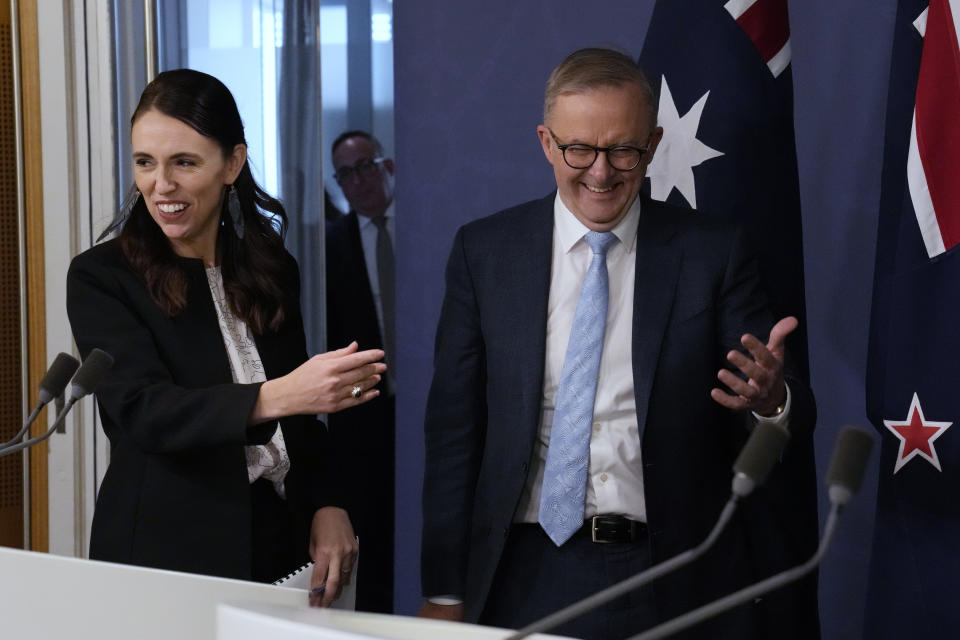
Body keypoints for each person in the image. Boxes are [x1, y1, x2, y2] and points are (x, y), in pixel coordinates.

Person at [418, 48, 817, 639]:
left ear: (652, 144)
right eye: (579, 149)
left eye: (623, 150)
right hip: (526, 573)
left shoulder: (714, 254)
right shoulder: (486, 254)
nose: (600, 173)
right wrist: (445, 591)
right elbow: (454, 435)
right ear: (547, 143)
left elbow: (787, 414)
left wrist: (769, 400)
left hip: (674, 572)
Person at [66, 69, 386, 607]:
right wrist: (280, 395)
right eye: (146, 162)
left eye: (184, 163)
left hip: (278, 543)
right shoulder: (101, 276)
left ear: (232, 164)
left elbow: (303, 424)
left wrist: (329, 503)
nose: (160, 185)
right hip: (164, 553)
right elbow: (145, 411)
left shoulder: (270, 266)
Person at [324, 130, 396, 612]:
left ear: (387, 166)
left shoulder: (425, 226)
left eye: (365, 166)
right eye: (345, 174)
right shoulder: (330, 246)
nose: (358, 180)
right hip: (366, 410)